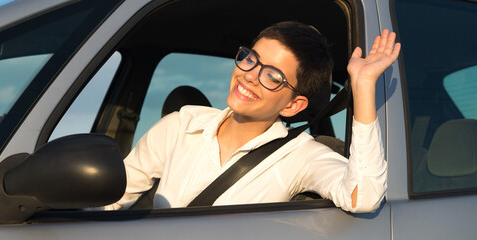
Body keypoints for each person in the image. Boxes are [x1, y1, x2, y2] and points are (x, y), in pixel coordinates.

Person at [105, 21, 400, 213]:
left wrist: (363, 86)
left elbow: (364, 197)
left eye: (272, 76)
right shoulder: (181, 125)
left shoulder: (301, 156)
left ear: (293, 106)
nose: (250, 77)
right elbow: (113, 200)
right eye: (251, 59)